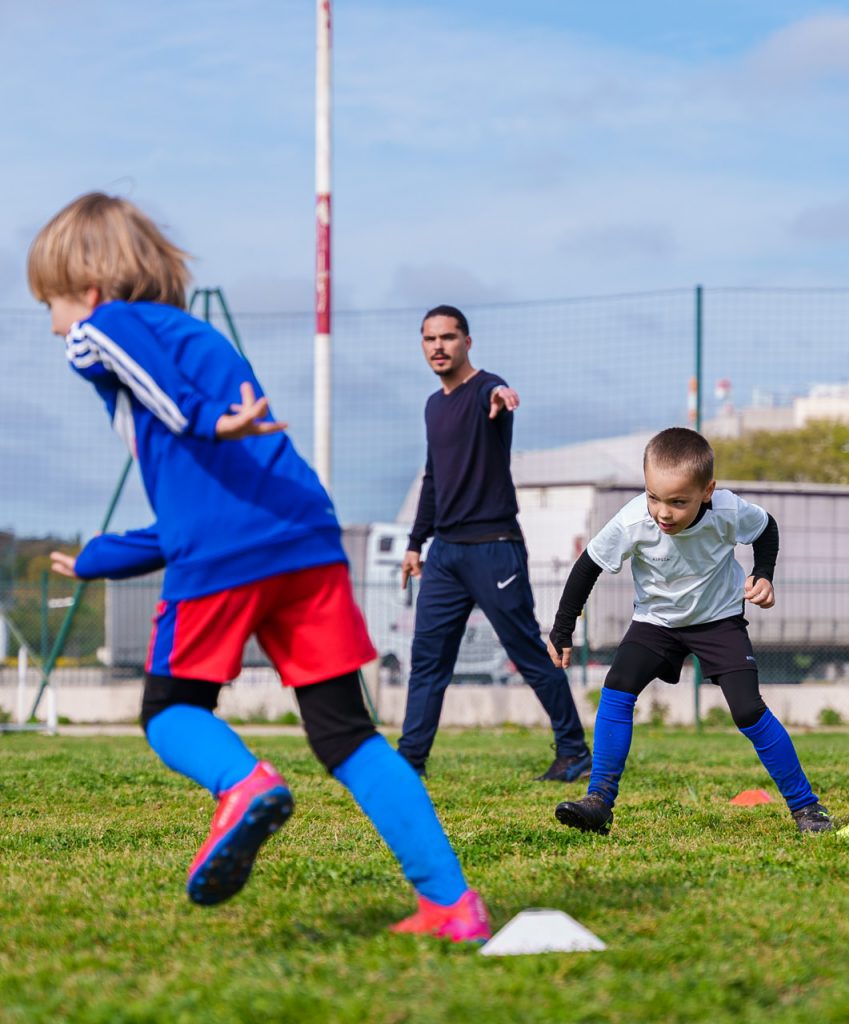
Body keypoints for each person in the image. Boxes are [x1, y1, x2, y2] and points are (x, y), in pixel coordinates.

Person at [27, 192, 491, 943]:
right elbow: (211, 504)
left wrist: (197, 415)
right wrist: (100, 557)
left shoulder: (107, 328)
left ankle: (244, 785)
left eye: (49, 304)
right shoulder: (204, 342)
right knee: (346, 735)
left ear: (88, 287)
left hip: (226, 551)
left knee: (170, 712)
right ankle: (452, 905)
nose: (54, 326)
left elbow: (98, 344)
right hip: (305, 540)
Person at [547, 426, 832, 835]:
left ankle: (807, 808)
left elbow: (766, 528)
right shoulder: (633, 520)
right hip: (656, 623)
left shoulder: (727, 511)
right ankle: (599, 801)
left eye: (678, 502)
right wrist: (562, 628)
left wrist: (764, 574)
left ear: (707, 491)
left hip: (719, 621)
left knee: (748, 710)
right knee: (618, 687)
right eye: (653, 497)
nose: (663, 512)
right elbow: (588, 565)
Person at [397, 304, 591, 781]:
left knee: (526, 652)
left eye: (447, 337)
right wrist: (415, 543)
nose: (438, 346)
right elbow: (433, 478)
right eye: (429, 339)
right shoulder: (433, 406)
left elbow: (496, 392)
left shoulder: (487, 389)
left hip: (494, 546)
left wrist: (502, 396)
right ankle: (409, 762)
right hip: (444, 555)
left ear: (466, 342)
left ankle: (573, 752)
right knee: (427, 661)